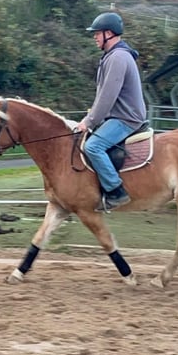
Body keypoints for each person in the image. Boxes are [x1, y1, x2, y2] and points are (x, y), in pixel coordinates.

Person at [77, 12, 147, 211]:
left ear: (109, 33)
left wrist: (88, 122)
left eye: (97, 33)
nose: (94, 37)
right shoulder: (112, 56)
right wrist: (90, 118)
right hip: (117, 116)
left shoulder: (118, 58)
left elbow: (107, 97)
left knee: (93, 146)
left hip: (126, 118)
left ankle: (116, 191)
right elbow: (102, 97)